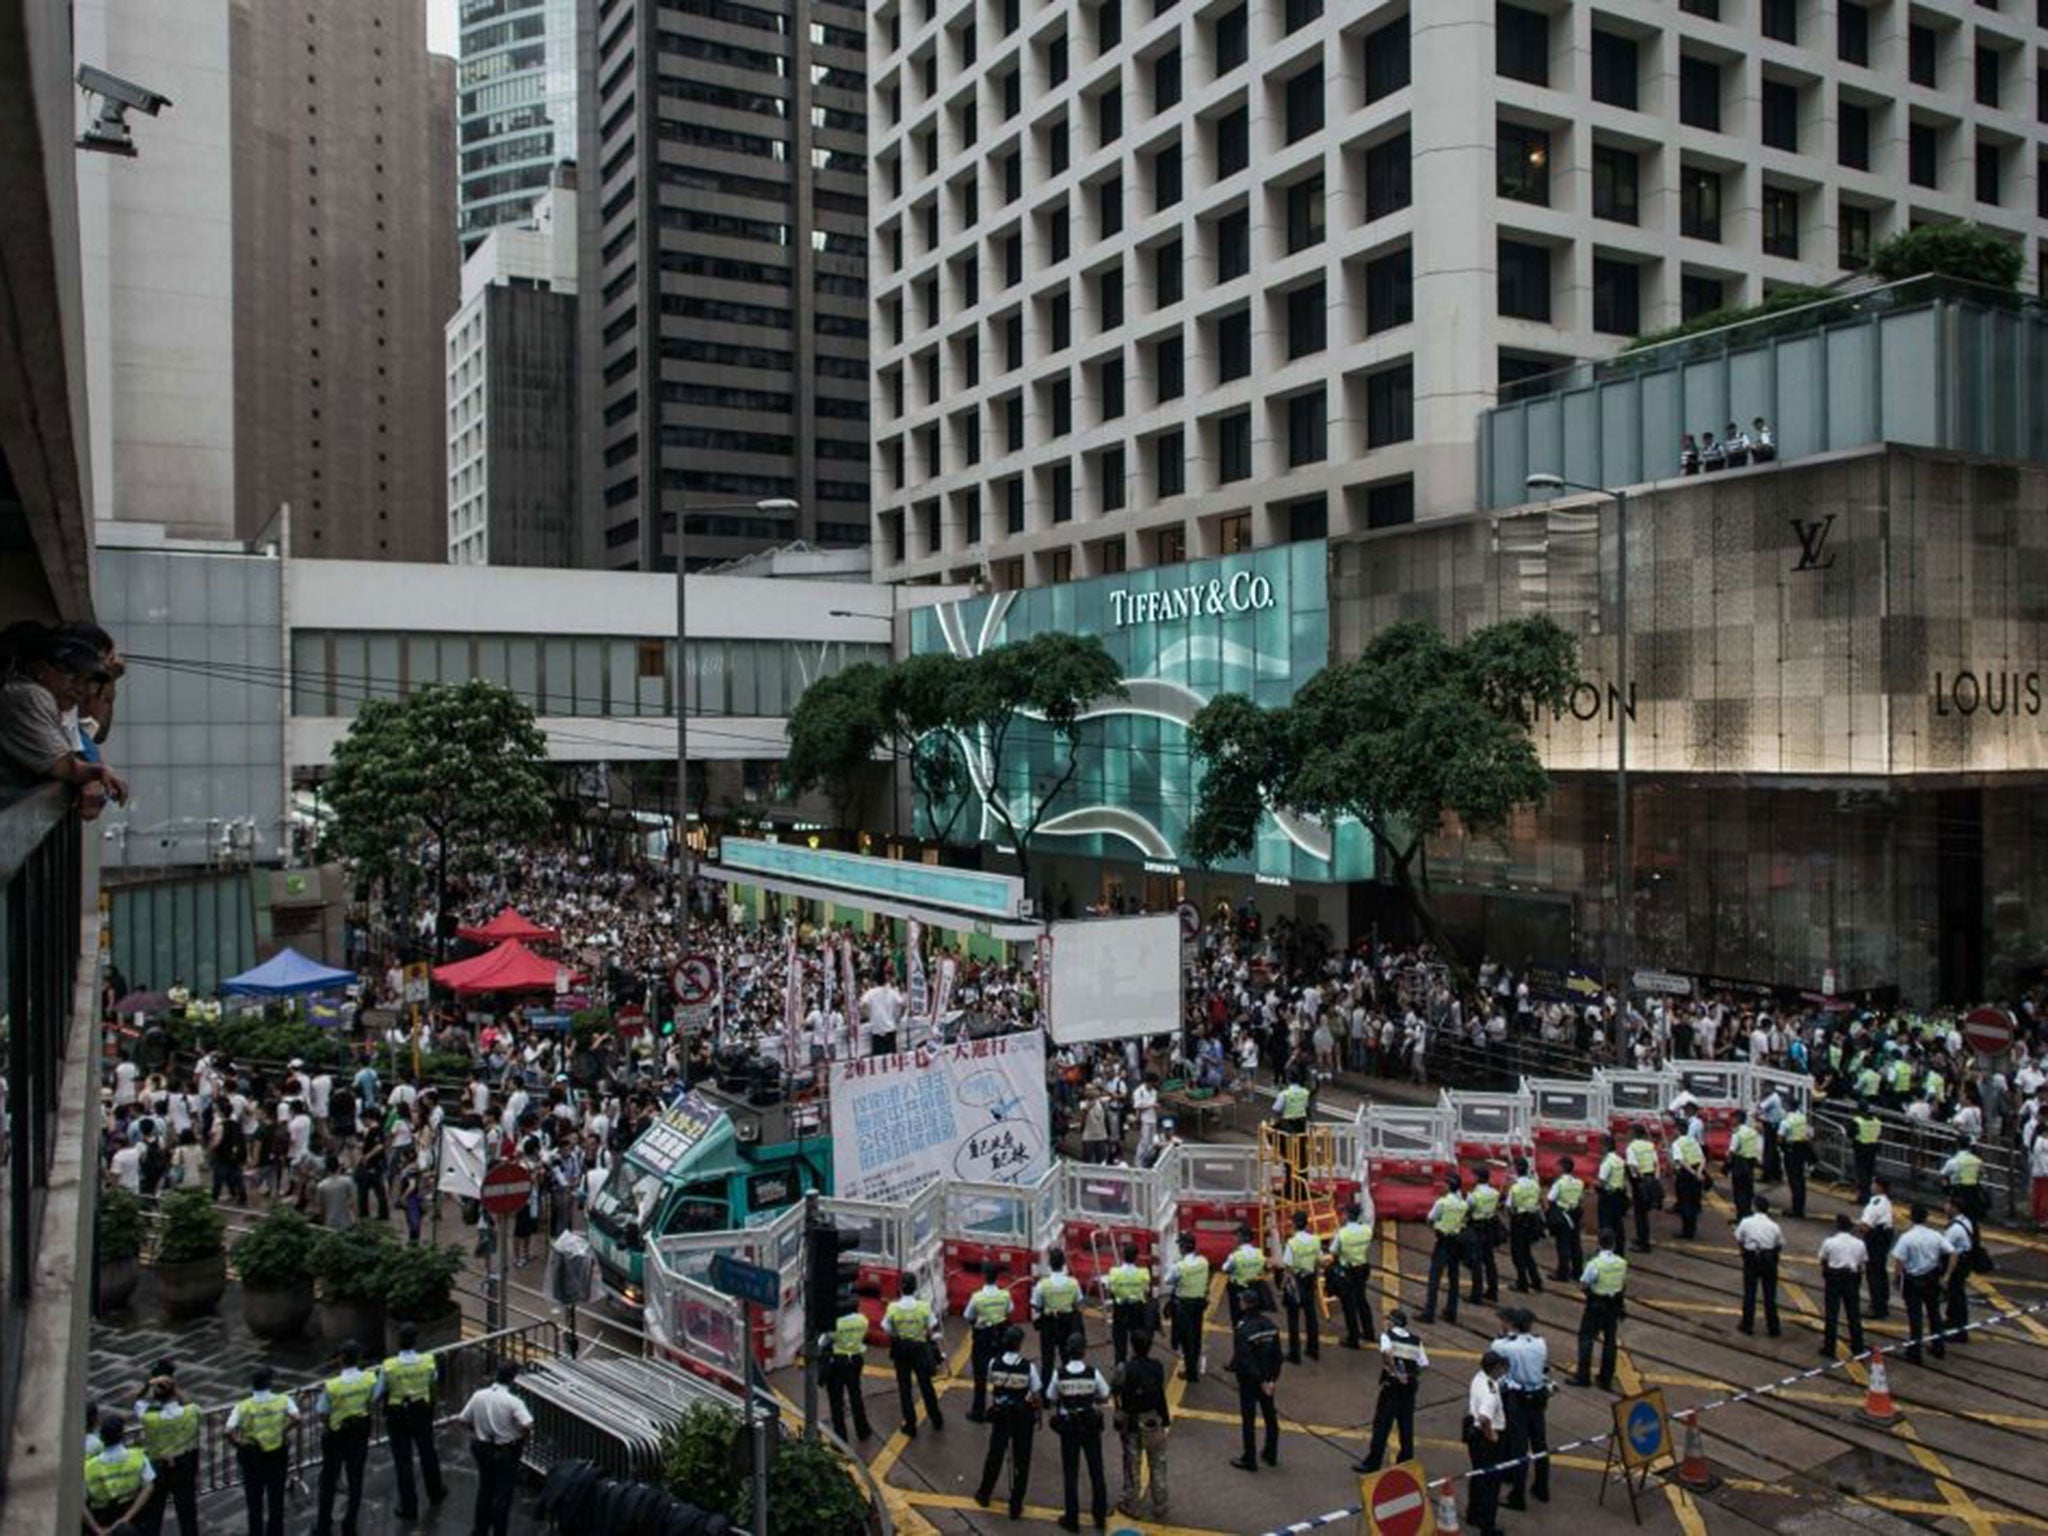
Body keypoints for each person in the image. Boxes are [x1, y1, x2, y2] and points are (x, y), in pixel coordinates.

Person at [381, 1322, 448, 1521]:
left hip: (398, 1414)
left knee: (404, 1461)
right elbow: (433, 1383)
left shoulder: (389, 1366)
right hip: (422, 1411)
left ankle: (409, 1507)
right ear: (415, 1341)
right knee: (428, 1452)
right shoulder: (428, 1361)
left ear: (399, 1342)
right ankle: (436, 1493)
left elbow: (379, 1392)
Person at [972, 1325, 1039, 1519]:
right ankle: (1016, 1504)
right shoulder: (1028, 1367)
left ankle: (984, 1493)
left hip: (1001, 1413)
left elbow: (993, 1383)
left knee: (995, 1454)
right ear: (1019, 1344)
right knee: (1022, 1459)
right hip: (1022, 1416)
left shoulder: (994, 1363)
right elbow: (1035, 1393)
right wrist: (1037, 1412)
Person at [458, 1362, 532, 1536]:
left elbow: (463, 1419)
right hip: (506, 1450)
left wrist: (476, 1431)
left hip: (482, 1447)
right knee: (503, 1495)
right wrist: (522, 1437)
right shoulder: (514, 1402)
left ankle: (480, 1529)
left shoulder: (478, 1396)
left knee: (485, 1489)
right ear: (512, 1380)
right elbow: (527, 1423)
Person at [226, 1365, 300, 1536]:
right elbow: (297, 1417)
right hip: (276, 1455)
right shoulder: (283, 1400)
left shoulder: (243, 1406)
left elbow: (227, 1431)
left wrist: (238, 1444)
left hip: (252, 1458)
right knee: (276, 1501)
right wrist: (282, 1430)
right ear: (269, 1382)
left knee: (254, 1503)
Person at [1048, 1334, 1110, 1532]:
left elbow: (1050, 1396)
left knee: (1071, 1472)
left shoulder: (1059, 1374)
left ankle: (1071, 1518)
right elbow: (1105, 1393)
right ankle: (1100, 1515)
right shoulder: (1093, 1373)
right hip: (1090, 1425)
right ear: (1084, 1352)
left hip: (1069, 1427)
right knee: (1096, 1470)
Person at [313, 1339, 375, 1536]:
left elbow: (322, 1412)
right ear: (358, 1358)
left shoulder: (332, 1386)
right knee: (355, 1478)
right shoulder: (369, 1379)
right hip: (360, 1432)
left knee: (329, 1479)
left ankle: (324, 1524)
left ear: (340, 1358)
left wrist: (330, 1423)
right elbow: (374, 1400)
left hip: (336, 1434)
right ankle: (350, 1523)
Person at [1353, 1310, 1428, 1473]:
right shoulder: (1416, 1340)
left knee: (1382, 1425)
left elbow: (1386, 1353)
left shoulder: (1387, 1336)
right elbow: (1423, 1364)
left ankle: (1373, 1462)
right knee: (1406, 1425)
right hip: (1410, 1388)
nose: (1386, 1323)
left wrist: (1397, 1373)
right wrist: (1410, 1376)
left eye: (1388, 1320)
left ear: (1393, 1322)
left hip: (1392, 1386)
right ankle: (1405, 1462)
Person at [133, 1359, 199, 1536]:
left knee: (154, 1515)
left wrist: (149, 1384)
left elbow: (137, 1400)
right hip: (183, 1467)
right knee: (187, 1514)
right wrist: (174, 1386)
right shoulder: (190, 1413)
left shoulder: (148, 1417)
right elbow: (190, 1403)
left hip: (158, 1469)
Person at [1111, 1329, 1170, 1523]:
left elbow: (1115, 1388)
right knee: (1158, 1463)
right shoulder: (1158, 1367)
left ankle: (1132, 1503)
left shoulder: (1124, 1368)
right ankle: (1160, 1504)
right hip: (1155, 1420)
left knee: (1132, 1465)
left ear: (1132, 1346)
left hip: (1132, 1423)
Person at [1493, 1308, 1550, 1508]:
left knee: (1519, 1447)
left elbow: (1494, 1351)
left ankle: (1518, 1495)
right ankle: (1542, 1488)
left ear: (1513, 1325)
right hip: (1539, 1396)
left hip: (1518, 1399)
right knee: (1540, 1444)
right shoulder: (1540, 1343)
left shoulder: (1506, 1347)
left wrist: (1505, 1335)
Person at [882, 1270, 945, 1437]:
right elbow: (931, 1327)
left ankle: (910, 1425)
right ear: (915, 1287)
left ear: (900, 1288)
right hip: (920, 1348)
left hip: (901, 1348)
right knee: (926, 1385)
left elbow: (887, 1329)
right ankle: (936, 1419)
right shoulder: (923, 1307)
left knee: (905, 1388)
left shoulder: (893, 1308)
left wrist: (899, 1335)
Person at [1226, 1289, 1283, 1472]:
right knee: (1270, 1417)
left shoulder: (1243, 1328)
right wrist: (1271, 1379)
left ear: (1246, 1304)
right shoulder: (1270, 1326)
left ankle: (1249, 1459)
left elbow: (1245, 1358)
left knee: (1248, 1420)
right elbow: (1278, 1356)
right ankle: (1271, 1453)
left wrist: (1260, 1380)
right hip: (1267, 1379)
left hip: (1250, 1381)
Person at [1890, 1203, 1948, 1363]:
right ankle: (1938, 1346)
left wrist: (1896, 1279)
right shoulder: (1935, 1235)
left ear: (1911, 1217)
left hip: (1913, 1281)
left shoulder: (1907, 1238)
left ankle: (1914, 1352)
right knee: (1934, 1314)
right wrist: (1946, 1275)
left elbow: (1899, 1260)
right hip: (1932, 1278)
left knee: (1915, 1317)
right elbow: (1951, 1251)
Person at [1571, 1231, 1627, 1389]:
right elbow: (1623, 1285)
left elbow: (1584, 1284)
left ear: (1599, 1243)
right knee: (1610, 1342)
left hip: (1596, 1305)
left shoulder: (1595, 1264)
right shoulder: (1621, 1263)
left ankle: (1583, 1376)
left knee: (1586, 1338)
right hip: (1613, 1306)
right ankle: (1605, 1378)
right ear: (1614, 1244)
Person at [82, 1412, 154, 1536]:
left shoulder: (88, 1467)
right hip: (130, 1515)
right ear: (122, 1435)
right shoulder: (138, 1457)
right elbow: (148, 1487)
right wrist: (126, 1518)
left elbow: (80, 1503)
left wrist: (96, 1529)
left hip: (102, 1518)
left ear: (102, 1437)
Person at [1465, 1351, 1510, 1536]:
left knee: (1478, 1476)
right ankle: (1487, 1526)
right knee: (1491, 1484)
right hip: (1486, 1439)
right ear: (1495, 1368)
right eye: (1502, 1367)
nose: (1504, 1370)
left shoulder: (1479, 1378)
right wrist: (1491, 1436)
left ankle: (1473, 1514)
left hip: (1473, 1435)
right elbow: (1485, 1418)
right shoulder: (1491, 1392)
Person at [964, 1260, 1016, 1420]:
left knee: (980, 1376)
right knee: (1001, 1373)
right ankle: (1001, 1408)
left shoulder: (977, 1298)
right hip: (1000, 1337)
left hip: (982, 1339)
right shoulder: (1005, 1294)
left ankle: (978, 1411)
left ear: (984, 1276)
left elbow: (968, 1316)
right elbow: (1010, 1311)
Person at [823, 1299, 874, 1442]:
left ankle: (840, 1437)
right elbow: (864, 1334)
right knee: (856, 1395)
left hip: (838, 1362)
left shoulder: (835, 1323)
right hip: (856, 1360)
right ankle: (863, 1430)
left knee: (836, 1400)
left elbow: (826, 1339)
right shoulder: (862, 1320)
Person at [1032, 1247, 1086, 1383]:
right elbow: (1079, 1303)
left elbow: (1035, 1305)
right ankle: (1067, 1387)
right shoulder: (1073, 1283)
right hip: (1067, 1323)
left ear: (1050, 1264)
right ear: (1063, 1264)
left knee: (1047, 1361)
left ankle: (1046, 1396)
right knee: (1067, 1358)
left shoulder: (1042, 1285)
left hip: (1049, 1324)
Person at [1420, 1173, 1468, 1324]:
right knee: (1454, 1279)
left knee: (1434, 1279)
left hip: (1443, 1243)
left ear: (1449, 1186)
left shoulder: (1442, 1202)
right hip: (1457, 1243)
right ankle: (1451, 1311)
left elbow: (1430, 1219)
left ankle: (1429, 1312)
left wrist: (1437, 1227)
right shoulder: (1463, 1204)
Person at [1733, 1194, 1784, 1337]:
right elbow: (1779, 1244)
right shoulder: (1774, 1226)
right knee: (1770, 1295)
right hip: (1768, 1260)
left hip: (1752, 1258)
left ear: (1755, 1207)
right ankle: (1773, 1327)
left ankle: (1747, 1324)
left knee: (1750, 1292)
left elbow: (1739, 1238)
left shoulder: (1746, 1222)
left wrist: (1744, 1250)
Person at [1819, 1213, 1868, 1357]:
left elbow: (1823, 1260)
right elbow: (1861, 1262)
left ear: (1837, 1226)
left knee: (1831, 1314)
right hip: (1852, 1278)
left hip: (1834, 1278)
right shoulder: (1860, 1243)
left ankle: (1829, 1347)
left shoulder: (1829, 1242)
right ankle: (1858, 1346)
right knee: (1854, 1313)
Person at [1280, 1208, 1325, 1363]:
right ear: (1306, 1224)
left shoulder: (1292, 1243)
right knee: (1311, 1316)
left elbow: (1287, 1265)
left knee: (1293, 1319)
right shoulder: (1315, 1240)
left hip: (1295, 1281)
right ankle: (1313, 1349)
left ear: (1294, 1225)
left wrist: (1285, 1284)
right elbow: (1320, 1260)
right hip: (1309, 1279)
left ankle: (1295, 1354)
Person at [1330, 1201, 1376, 1344]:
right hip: (1362, 1267)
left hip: (1348, 1270)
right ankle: (1369, 1333)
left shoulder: (1342, 1233)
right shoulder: (1367, 1230)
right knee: (1362, 1300)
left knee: (1349, 1304)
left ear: (1348, 1215)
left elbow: (1333, 1251)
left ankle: (1353, 1338)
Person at [1166, 1231, 1210, 1382]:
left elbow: (1168, 1280)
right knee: (1196, 1336)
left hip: (1183, 1306)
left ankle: (1191, 1372)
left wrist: (1176, 1263)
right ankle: (1193, 1367)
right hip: (1198, 1305)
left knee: (1185, 1339)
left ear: (1183, 1247)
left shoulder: (1180, 1266)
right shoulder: (1203, 1262)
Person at [1103, 1242, 1153, 1367]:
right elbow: (1146, 1290)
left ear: (1122, 1255)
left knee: (1120, 1341)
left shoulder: (1114, 1272)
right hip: (1137, 1309)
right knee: (1138, 1340)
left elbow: (1111, 1289)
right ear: (1136, 1257)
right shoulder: (1144, 1273)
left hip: (1120, 1309)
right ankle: (1138, 1366)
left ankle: (1120, 1367)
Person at [1942, 1193, 1979, 1345]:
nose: (1945, 1207)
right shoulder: (1965, 1221)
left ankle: (1959, 1331)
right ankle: (1952, 1322)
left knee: (1957, 1296)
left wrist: (1946, 1275)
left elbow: (1947, 1250)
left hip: (1958, 1264)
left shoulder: (1955, 1228)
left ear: (1954, 1208)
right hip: (1964, 1262)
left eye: (1948, 1204)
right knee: (1955, 1295)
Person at [1506, 1158, 1545, 1294]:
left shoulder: (1515, 1187)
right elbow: (1540, 1200)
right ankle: (1536, 1281)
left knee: (1517, 1253)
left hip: (1519, 1220)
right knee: (1527, 1252)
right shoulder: (1534, 1184)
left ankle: (1522, 1282)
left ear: (1517, 1169)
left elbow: (1510, 1207)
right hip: (1533, 1219)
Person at [1465, 1166, 1504, 1304]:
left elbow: (1467, 1210)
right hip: (1490, 1228)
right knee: (1490, 1261)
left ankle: (1476, 1295)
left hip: (1477, 1228)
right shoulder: (1494, 1193)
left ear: (1477, 1178)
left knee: (1476, 1262)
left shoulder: (1473, 1196)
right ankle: (1493, 1291)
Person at [1860, 1175, 1895, 1320]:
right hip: (1885, 1237)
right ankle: (1882, 1303)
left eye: (1874, 1183)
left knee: (1873, 1273)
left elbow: (1866, 1227)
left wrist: (1854, 1227)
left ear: (1879, 1186)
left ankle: (1876, 1307)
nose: (1871, 1185)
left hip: (1876, 1239)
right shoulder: (1886, 1201)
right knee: (1880, 1271)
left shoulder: (1875, 1203)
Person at [1221, 1220, 1269, 1326]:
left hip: (1238, 1291)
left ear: (1241, 1237)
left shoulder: (1235, 1256)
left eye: (1236, 1235)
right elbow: (1264, 1266)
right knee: (1254, 1319)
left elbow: (1225, 1269)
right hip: (1255, 1290)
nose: (1234, 1238)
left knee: (1238, 1321)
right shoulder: (1259, 1253)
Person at [1624, 1123, 1661, 1253]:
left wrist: (1639, 1179)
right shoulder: (1650, 1145)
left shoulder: (1632, 1147)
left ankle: (1643, 1243)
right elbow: (1656, 1163)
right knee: (1644, 1213)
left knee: (1640, 1214)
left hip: (1640, 1181)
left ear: (1633, 1133)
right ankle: (1642, 1238)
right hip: (1650, 1178)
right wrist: (1655, 1179)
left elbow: (1633, 1166)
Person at [1547, 1156, 1586, 1281]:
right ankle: (1578, 1272)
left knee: (1563, 1245)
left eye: (1557, 1166)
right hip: (1575, 1215)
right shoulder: (1579, 1182)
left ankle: (1562, 1273)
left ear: (1562, 1168)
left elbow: (1550, 1199)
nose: (1555, 1168)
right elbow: (1581, 1199)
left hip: (1562, 1216)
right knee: (1576, 1244)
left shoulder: (1559, 1183)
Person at [1595, 1136, 1631, 1259]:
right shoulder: (1619, 1160)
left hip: (1608, 1196)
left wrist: (1593, 1185)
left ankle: (1604, 1250)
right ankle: (1619, 1250)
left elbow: (1601, 1181)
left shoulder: (1607, 1162)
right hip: (1619, 1195)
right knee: (1618, 1224)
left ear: (1605, 1147)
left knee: (1605, 1224)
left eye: (1601, 1145)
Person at [1670, 1120, 1707, 1240]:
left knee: (1684, 1203)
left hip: (1685, 1174)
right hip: (1696, 1172)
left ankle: (1686, 1231)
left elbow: (1681, 1161)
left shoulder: (1677, 1143)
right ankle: (1692, 1230)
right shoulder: (1693, 1141)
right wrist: (1699, 1173)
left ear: (1678, 1130)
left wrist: (1692, 1173)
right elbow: (1702, 1158)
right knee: (1694, 1203)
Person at [1727, 1112, 1764, 1217]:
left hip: (1739, 1163)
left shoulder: (1737, 1134)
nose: (1732, 1120)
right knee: (1748, 1190)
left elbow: (1732, 1151)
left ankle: (1740, 1215)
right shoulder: (1752, 1132)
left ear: (1738, 1119)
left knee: (1738, 1191)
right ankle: (1747, 1212)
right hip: (1750, 1164)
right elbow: (1758, 1148)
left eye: (1733, 1118)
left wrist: (1727, 1164)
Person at [1779, 1103, 1813, 1218]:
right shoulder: (1802, 1118)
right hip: (1802, 1150)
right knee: (1800, 1180)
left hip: (1791, 1151)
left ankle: (1796, 1210)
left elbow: (1780, 1138)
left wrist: (1781, 1146)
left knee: (1794, 1181)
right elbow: (1807, 1133)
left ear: (1788, 1107)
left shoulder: (1786, 1121)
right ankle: (1800, 1208)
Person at [1941, 1139, 1986, 1224]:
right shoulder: (1977, 1160)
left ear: (1957, 1146)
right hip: (1973, 1192)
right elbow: (1982, 1173)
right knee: (1972, 1218)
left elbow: (1944, 1175)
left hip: (1958, 1190)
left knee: (1955, 1216)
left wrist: (1946, 1191)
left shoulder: (1953, 1161)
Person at [1851, 1102, 1883, 1200]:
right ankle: (1868, 1193)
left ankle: (1862, 1195)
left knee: (1861, 1173)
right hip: (1873, 1148)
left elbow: (1850, 1133)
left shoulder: (1857, 1120)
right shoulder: (1876, 1120)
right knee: (1869, 1172)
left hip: (1861, 1148)